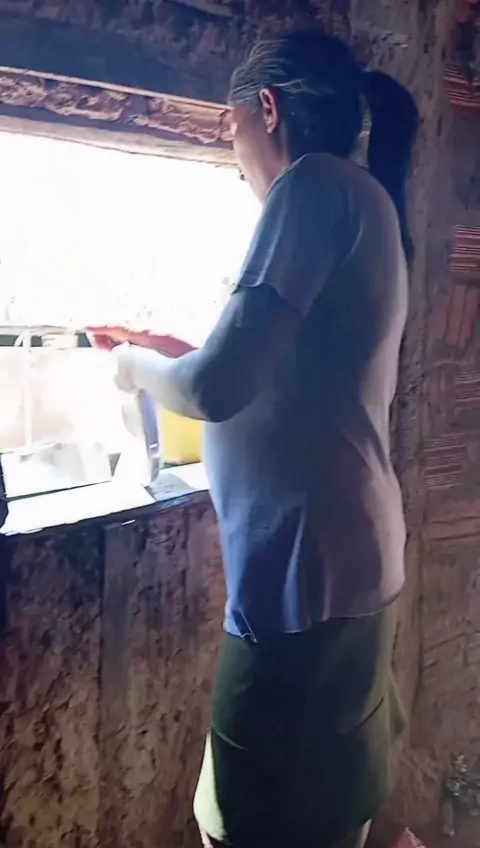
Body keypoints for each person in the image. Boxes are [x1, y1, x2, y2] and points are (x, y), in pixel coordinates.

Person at [89, 28, 418, 848]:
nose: (232, 151)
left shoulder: (313, 186)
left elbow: (216, 388)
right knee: (324, 811)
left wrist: (132, 367)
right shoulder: (359, 199)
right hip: (343, 563)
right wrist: (168, 350)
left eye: (230, 126)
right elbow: (277, 373)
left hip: (306, 575)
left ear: (267, 110)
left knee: (245, 824)